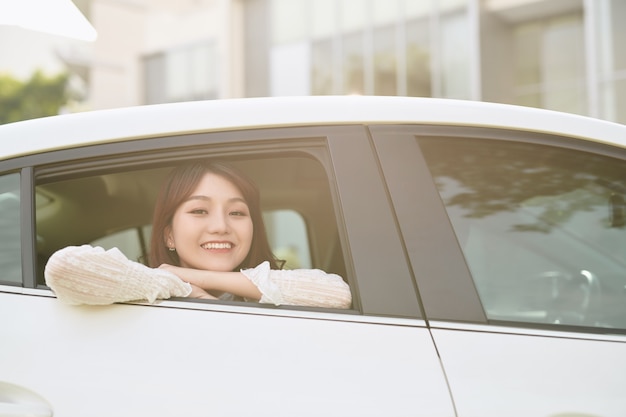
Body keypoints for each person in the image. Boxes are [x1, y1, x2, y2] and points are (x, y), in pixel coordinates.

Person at [44, 160, 352, 309]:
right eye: (199, 211)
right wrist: (175, 284)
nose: (221, 226)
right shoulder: (143, 291)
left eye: (237, 213)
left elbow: (337, 294)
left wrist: (195, 281)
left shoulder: (268, 295)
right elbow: (65, 268)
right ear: (169, 236)